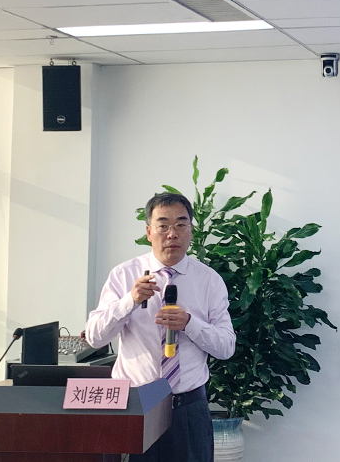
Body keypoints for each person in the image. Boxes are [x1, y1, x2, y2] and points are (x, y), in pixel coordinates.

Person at [86, 193, 236, 462]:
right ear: (149, 232)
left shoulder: (209, 281)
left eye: (181, 224)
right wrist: (130, 301)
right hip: (136, 404)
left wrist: (190, 323)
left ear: (191, 230)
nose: (172, 233)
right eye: (163, 225)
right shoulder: (124, 275)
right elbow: (95, 337)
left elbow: (226, 347)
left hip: (188, 407)